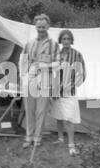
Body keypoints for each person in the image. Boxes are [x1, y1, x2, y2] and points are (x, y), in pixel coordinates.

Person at [20, 14, 60, 149]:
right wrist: (23, 76)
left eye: (43, 27)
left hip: (45, 78)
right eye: (39, 27)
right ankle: (29, 137)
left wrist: (45, 66)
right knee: (29, 109)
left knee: (41, 110)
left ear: (48, 26)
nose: (41, 29)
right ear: (35, 27)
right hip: (30, 78)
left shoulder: (54, 44)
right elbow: (23, 60)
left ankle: (38, 138)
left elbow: (59, 63)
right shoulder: (29, 43)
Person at [49, 29, 86, 155]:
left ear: (71, 40)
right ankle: (60, 138)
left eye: (68, 39)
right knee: (59, 115)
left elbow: (82, 72)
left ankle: (71, 145)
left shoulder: (76, 55)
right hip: (56, 91)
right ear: (60, 40)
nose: (66, 41)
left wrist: (73, 85)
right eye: (63, 39)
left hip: (69, 91)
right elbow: (51, 73)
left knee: (69, 117)